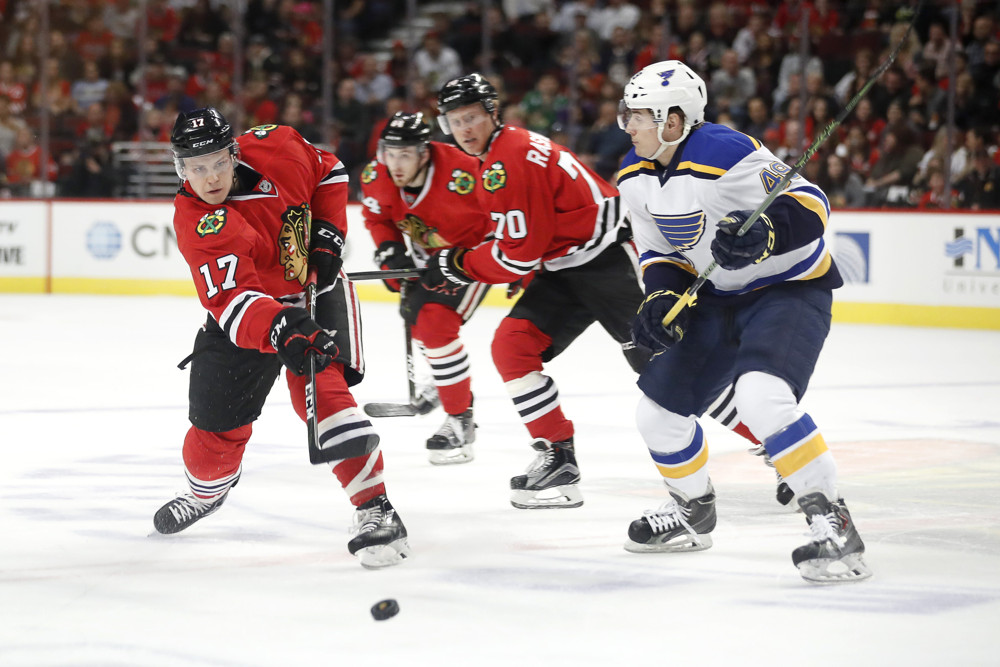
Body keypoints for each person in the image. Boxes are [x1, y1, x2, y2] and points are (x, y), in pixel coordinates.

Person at [423, 73, 763, 510]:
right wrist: (494, 262)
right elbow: (528, 233)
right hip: (564, 265)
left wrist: (458, 265)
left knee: (669, 364)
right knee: (513, 346)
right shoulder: (497, 154)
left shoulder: (508, 159)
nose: (464, 129)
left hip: (606, 259)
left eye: (471, 117)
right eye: (455, 121)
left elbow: (517, 254)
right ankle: (557, 457)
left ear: (492, 113)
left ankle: (774, 441)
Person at [616, 60, 871, 584]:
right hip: (715, 297)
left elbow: (812, 204)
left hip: (787, 289)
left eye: (638, 116)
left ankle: (833, 521)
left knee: (761, 396)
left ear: (672, 121)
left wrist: (766, 234)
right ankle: (692, 512)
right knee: (656, 415)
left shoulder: (724, 152)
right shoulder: (633, 175)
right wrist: (661, 296)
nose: (628, 126)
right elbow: (658, 251)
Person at [154, 108, 409, 569]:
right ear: (180, 168)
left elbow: (329, 171)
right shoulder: (198, 220)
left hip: (314, 292)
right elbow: (233, 302)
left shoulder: (278, 146)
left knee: (325, 395)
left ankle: (376, 508)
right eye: (196, 167)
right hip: (248, 319)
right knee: (214, 435)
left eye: (218, 162)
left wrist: (328, 237)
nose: (210, 178)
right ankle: (206, 493)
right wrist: (282, 325)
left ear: (234, 153)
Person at [360, 111, 493, 464]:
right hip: (428, 257)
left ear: (424, 153)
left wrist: (521, 263)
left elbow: (503, 211)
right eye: (390, 153)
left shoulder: (464, 173)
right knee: (417, 319)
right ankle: (444, 383)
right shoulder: (377, 175)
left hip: (474, 256)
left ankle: (461, 420)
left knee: (435, 324)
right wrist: (390, 251)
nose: (395, 164)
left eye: (405, 155)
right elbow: (377, 218)